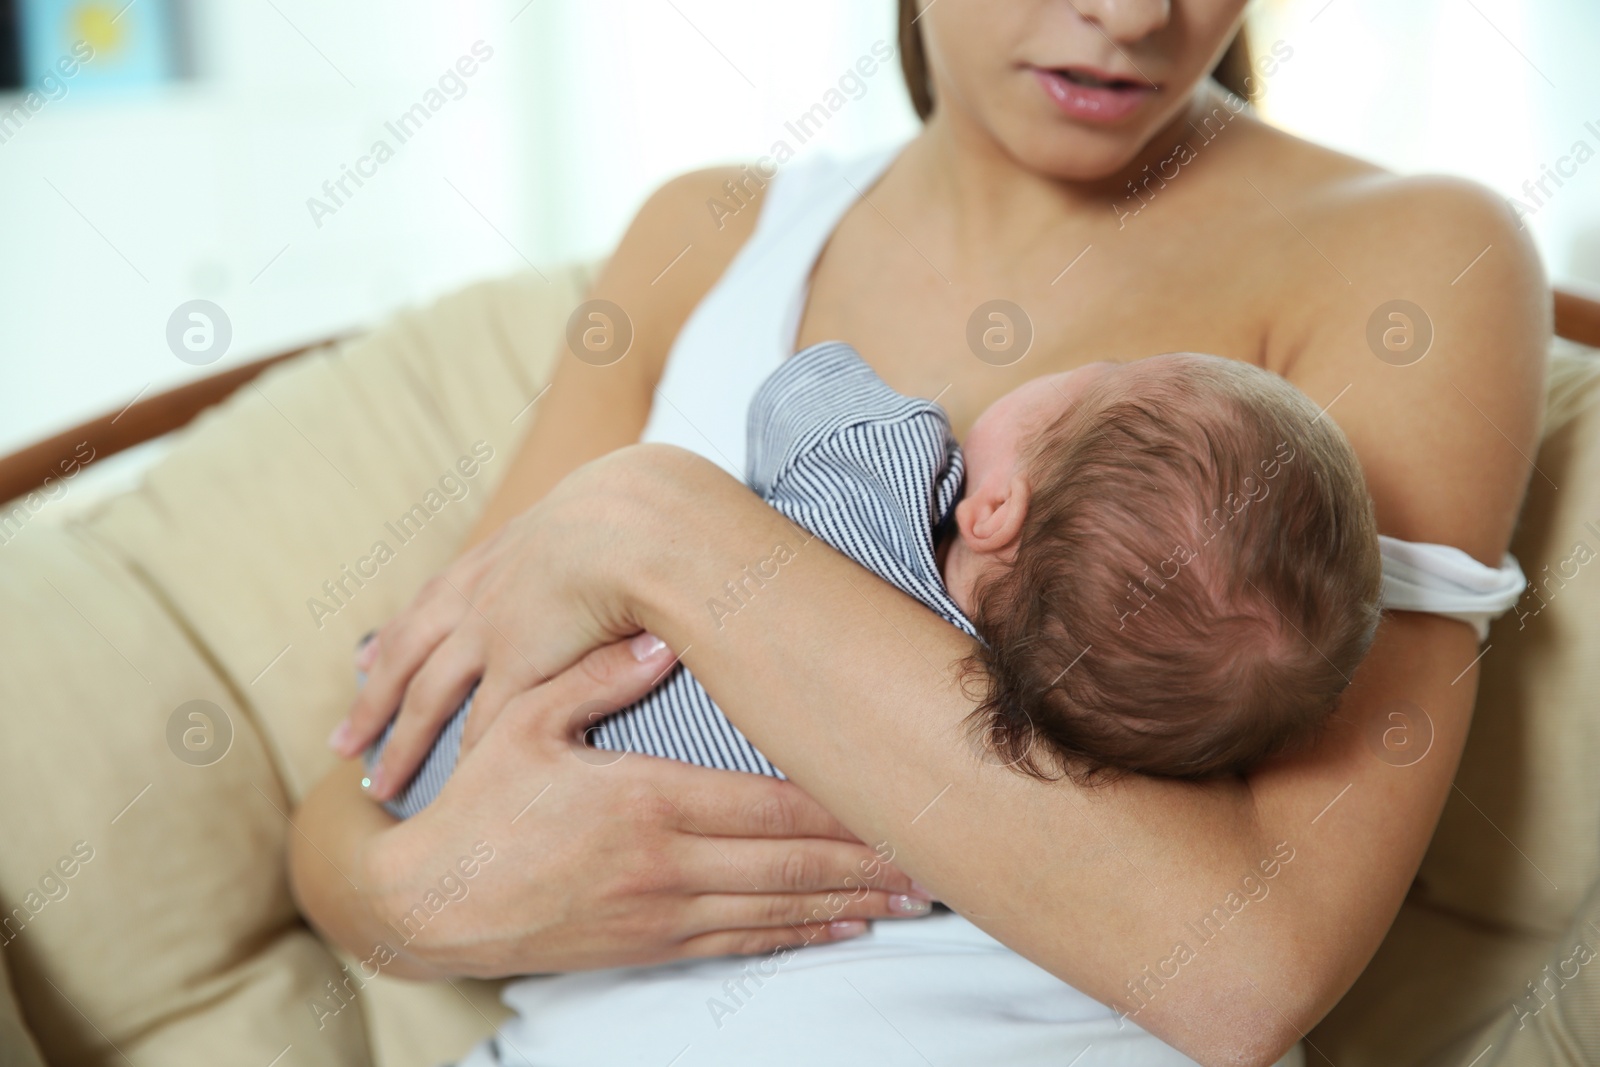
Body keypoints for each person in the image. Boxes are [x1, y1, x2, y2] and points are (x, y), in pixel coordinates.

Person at [290, 0, 1548, 1061]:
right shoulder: (706, 235)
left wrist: (668, 530)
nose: (1136, 17)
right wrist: (431, 893)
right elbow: (363, 787)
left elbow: (1244, 970)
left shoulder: (1413, 253)